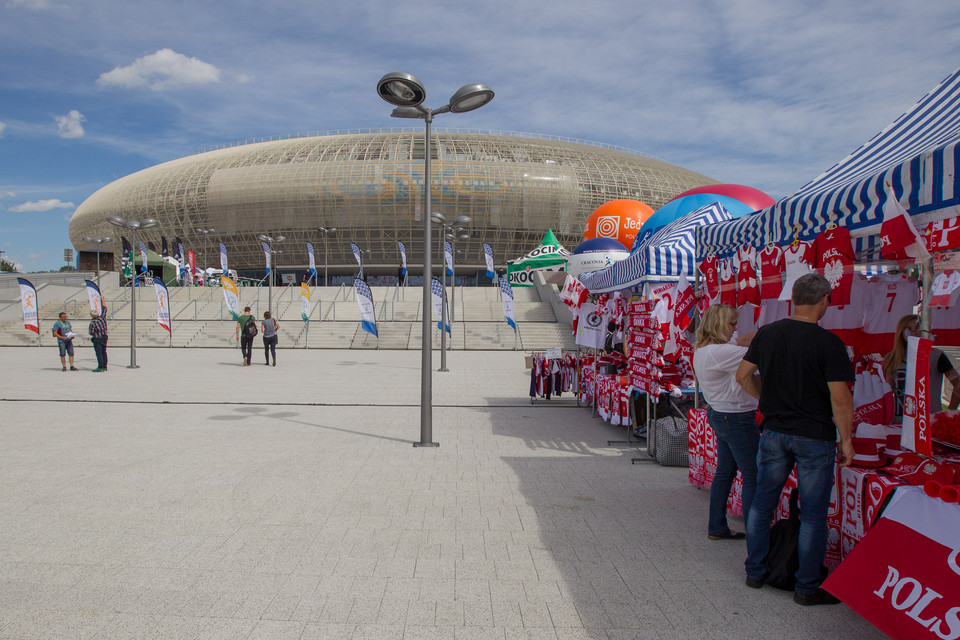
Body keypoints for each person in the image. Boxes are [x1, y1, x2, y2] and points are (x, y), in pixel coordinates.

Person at [735, 273, 854, 606]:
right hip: (814, 436)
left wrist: (768, 399)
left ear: (794, 299)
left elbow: (743, 376)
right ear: (824, 300)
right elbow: (841, 399)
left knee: (762, 504)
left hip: (774, 431)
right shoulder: (829, 344)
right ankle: (806, 586)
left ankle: (755, 571)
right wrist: (847, 440)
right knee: (813, 515)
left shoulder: (768, 333)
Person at [692, 304, 758, 541]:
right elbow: (759, 350)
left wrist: (766, 330)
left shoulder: (705, 349)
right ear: (720, 325)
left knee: (725, 473)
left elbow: (742, 341)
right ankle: (756, 536)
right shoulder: (721, 352)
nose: (735, 328)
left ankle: (717, 526)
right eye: (731, 323)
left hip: (721, 414)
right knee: (753, 475)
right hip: (736, 417)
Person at [882, 314, 960, 420]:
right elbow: (888, 390)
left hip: (929, 421)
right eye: (909, 329)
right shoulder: (892, 358)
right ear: (902, 333)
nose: (916, 332)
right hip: (900, 421)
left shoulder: (936, 356)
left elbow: (958, 384)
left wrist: (949, 412)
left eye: (919, 328)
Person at [88, 307, 109, 372]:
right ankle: (105, 366)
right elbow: (105, 309)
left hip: (97, 338)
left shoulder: (93, 322)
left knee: (99, 353)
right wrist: (102, 299)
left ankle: (100, 366)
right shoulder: (102, 318)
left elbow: (91, 332)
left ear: (93, 316)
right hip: (104, 337)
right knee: (104, 352)